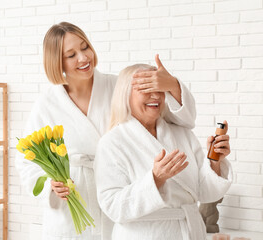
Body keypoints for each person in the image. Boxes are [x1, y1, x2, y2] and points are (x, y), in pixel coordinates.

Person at [15, 22, 197, 240]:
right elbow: (26, 160)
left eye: (85, 47)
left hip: (121, 195)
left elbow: (178, 120)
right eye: (71, 55)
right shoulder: (47, 104)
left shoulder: (119, 85)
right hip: (74, 204)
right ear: (57, 62)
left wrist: (172, 86)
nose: (83, 58)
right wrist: (50, 185)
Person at [94, 64, 232, 240]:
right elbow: (112, 206)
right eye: (146, 89)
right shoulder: (112, 143)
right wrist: (155, 180)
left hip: (190, 232)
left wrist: (215, 161)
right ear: (125, 95)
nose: (156, 96)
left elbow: (206, 192)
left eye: (160, 89)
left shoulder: (182, 134)